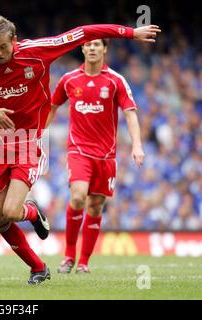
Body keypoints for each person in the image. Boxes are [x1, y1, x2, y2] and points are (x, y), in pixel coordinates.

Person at [0, 15, 160, 284]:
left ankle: (32, 213)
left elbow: (82, 32)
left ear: (14, 41)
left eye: (3, 46)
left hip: (28, 140)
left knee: (13, 211)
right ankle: (38, 268)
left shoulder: (37, 51)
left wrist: (130, 33)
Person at [47, 39, 145, 273]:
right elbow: (51, 106)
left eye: (97, 45)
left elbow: (130, 114)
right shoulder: (69, 79)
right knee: (78, 197)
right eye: (88, 45)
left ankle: (84, 262)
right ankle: (69, 255)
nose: (92, 48)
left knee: (95, 206)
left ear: (105, 49)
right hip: (79, 150)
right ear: (82, 49)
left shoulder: (115, 81)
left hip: (106, 156)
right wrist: (37, 135)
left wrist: (137, 145)